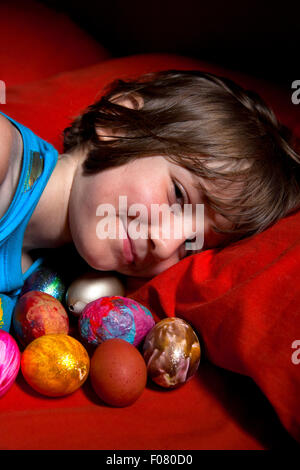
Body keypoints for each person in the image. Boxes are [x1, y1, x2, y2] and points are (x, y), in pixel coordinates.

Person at [0, 70, 299, 332]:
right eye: (178, 195)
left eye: (191, 243)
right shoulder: (4, 156)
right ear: (118, 123)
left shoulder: (51, 277)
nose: (165, 244)